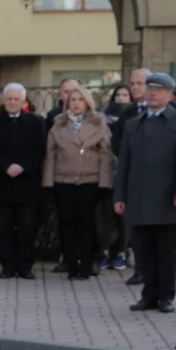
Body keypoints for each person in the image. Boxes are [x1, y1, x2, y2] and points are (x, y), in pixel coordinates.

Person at [114, 73, 176, 313]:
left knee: (165, 252)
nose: (152, 93)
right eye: (150, 88)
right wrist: (119, 196)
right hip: (138, 197)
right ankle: (148, 295)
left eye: (158, 89)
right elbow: (124, 165)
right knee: (143, 250)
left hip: (167, 198)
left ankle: (165, 296)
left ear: (169, 95)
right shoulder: (134, 123)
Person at [42, 86, 114, 280]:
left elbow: (106, 156)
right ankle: (71, 264)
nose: (76, 103)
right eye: (72, 100)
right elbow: (50, 155)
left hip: (89, 181)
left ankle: (87, 265)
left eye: (80, 100)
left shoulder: (99, 123)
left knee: (87, 224)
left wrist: (104, 184)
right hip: (63, 180)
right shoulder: (58, 125)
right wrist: (48, 183)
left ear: (87, 102)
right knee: (67, 224)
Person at [0, 83, 45, 279]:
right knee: (4, 226)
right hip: (2, 182)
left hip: (27, 183)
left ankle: (25, 266)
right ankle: (7, 266)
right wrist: (6, 166)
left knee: (27, 226)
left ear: (23, 101)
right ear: (4, 100)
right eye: (9, 99)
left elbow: (39, 149)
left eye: (17, 99)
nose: (13, 102)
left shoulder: (36, 122)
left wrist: (22, 166)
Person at [114, 68, 152, 286]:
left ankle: (155, 271)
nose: (135, 87)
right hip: (133, 177)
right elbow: (117, 142)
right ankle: (140, 269)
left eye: (140, 83)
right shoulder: (127, 113)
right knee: (135, 227)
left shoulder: (168, 112)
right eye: (133, 83)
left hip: (156, 179)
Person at [97, 85, 133, 270]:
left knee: (123, 217)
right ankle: (103, 252)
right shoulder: (102, 118)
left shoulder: (134, 118)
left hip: (126, 173)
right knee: (104, 215)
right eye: (117, 94)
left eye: (125, 95)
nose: (120, 98)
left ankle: (121, 252)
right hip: (106, 172)